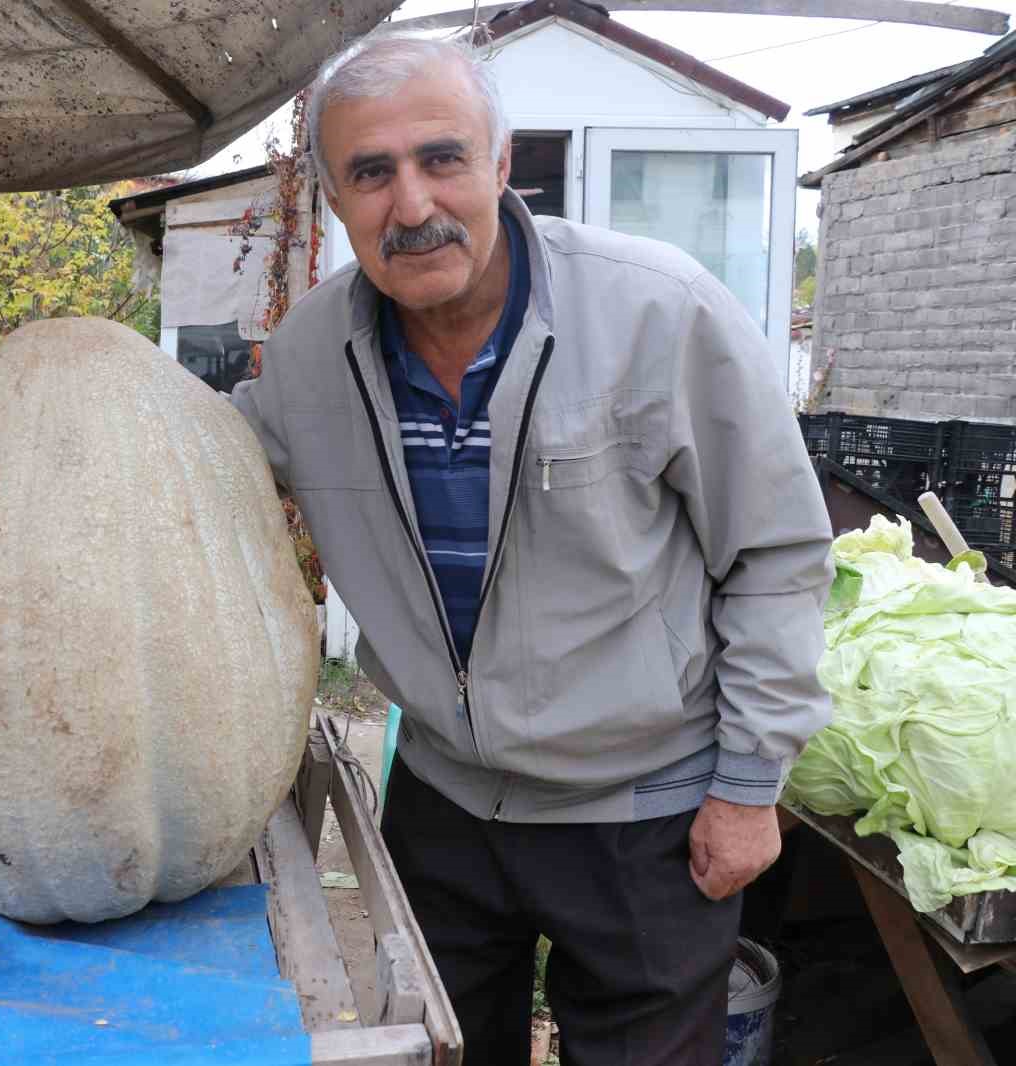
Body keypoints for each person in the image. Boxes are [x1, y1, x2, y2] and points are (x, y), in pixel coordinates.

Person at [229, 31, 834, 1066]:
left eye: (442, 158)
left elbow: (774, 553)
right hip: (444, 802)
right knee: (447, 1054)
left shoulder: (659, 310)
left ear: (501, 165)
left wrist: (745, 787)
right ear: (333, 198)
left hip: (646, 808)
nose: (411, 205)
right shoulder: (305, 363)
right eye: (370, 173)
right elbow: (195, 473)